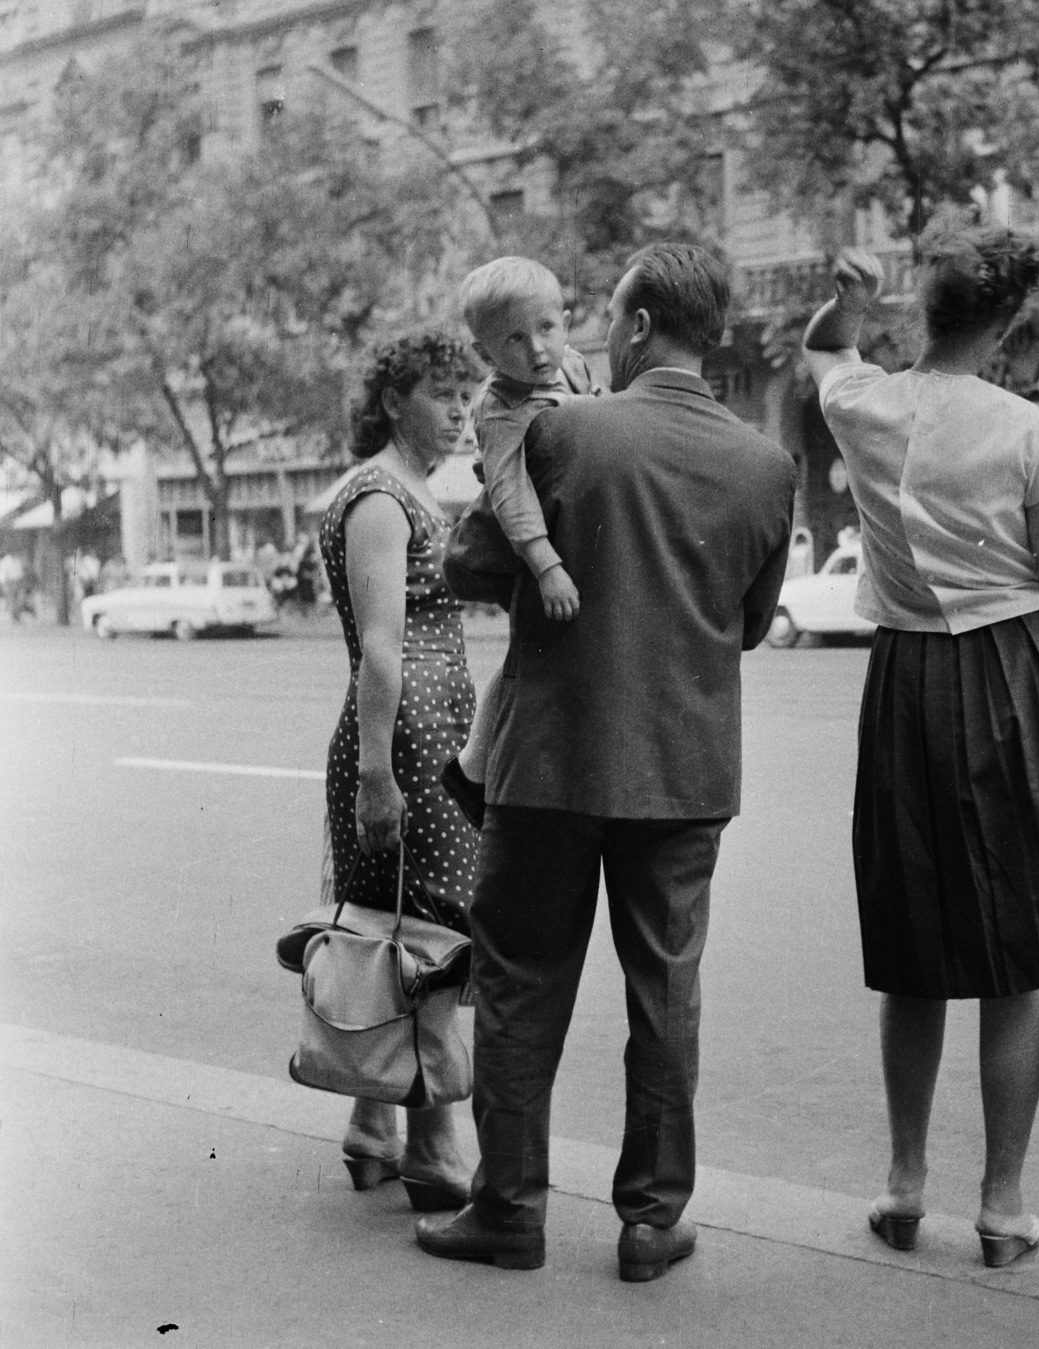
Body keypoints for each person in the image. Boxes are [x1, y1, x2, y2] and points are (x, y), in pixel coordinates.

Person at [423, 242, 796, 1278]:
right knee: (666, 993)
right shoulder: (769, 465)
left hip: (548, 760)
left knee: (520, 983)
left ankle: (509, 1208)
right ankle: (651, 1220)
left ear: (635, 326)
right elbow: (751, 623)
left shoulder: (561, 429)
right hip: (683, 768)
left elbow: (468, 561)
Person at [801, 225, 1039, 1268]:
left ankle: (904, 1184)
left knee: (912, 946)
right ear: (1004, 325)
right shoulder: (1028, 429)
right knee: (1018, 951)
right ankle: (1002, 1204)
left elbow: (826, 348)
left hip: (906, 678)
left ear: (922, 310)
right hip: (1014, 672)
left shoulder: (862, 404)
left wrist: (849, 303)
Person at [314, 332, 484, 1213]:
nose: (459, 411)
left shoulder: (408, 490)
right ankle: (433, 1145)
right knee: (429, 930)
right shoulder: (380, 496)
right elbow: (381, 648)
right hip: (406, 738)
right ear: (391, 401)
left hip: (428, 731)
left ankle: (371, 1123)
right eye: (441, 394)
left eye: (466, 395)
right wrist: (377, 776)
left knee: (391, 920)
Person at [438, 255, 597, 830]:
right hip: (514, 543)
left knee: (533, 655)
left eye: (546, 328)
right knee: (532, 654)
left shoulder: (572, 365)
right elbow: (509, 491)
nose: (536, 349)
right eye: (513, 339)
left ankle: (477, 767)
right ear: (485, 353)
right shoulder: (499, 405)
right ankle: (479, 767)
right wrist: (546, 565)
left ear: (565, 322)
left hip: (558, 526)